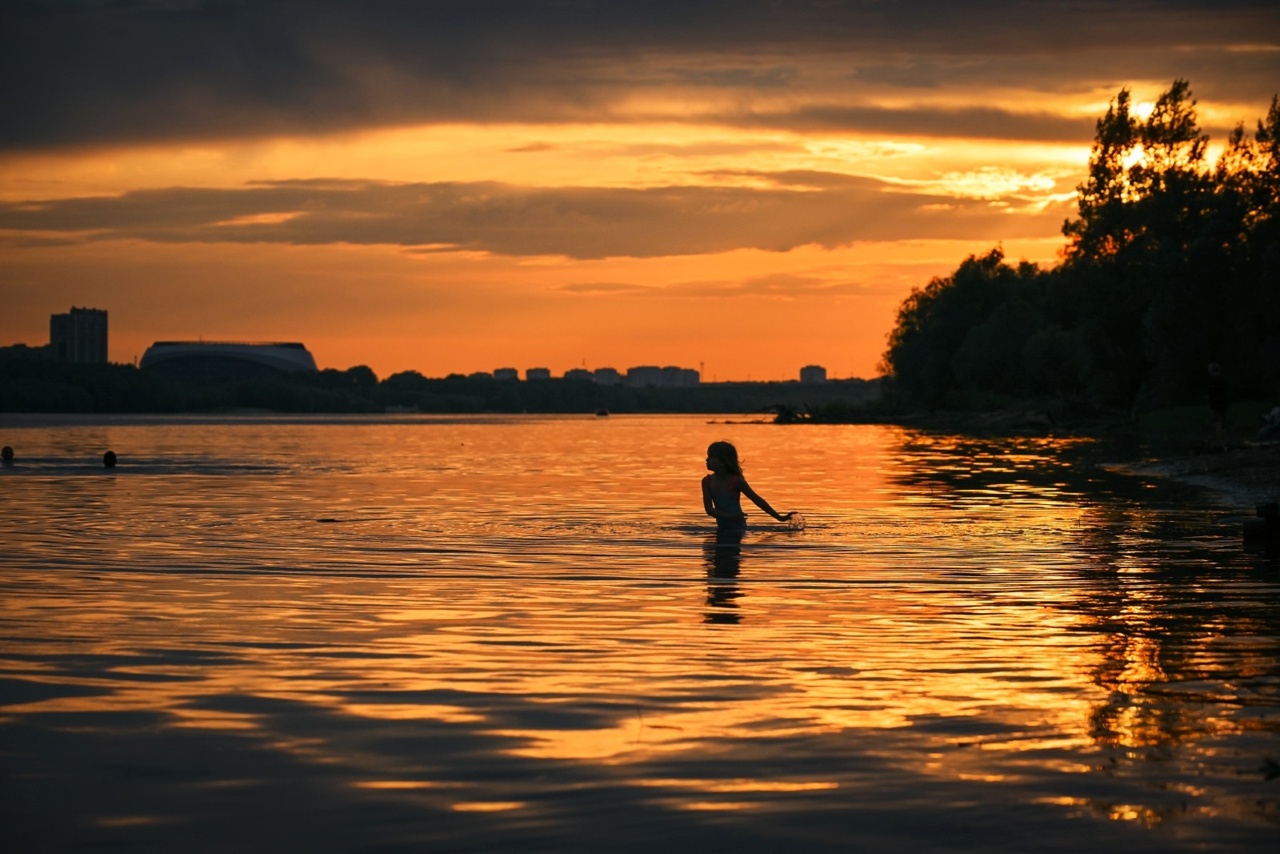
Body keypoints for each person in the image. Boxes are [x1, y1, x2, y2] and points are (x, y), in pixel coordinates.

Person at [702, 440, 792, 531]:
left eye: (711, 457)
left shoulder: (736, 481)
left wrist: (779, 518)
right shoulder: (707, 481)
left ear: (723, 461)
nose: (707, 460)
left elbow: (757, 500)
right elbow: (709, 510)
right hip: (722, 529)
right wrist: (731, 517)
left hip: (738, 528)